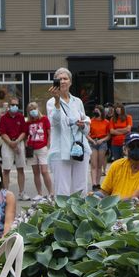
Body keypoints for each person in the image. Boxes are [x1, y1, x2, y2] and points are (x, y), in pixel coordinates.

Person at [46, 67, 89, 196]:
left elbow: (86, 127)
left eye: (65, 78)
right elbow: (56, 123)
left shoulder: (78, 101)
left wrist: (83, 125)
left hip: (80, 148)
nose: (63, 81)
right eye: (60, 79)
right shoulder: (51, 102)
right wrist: (57, 101)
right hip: (60, 150)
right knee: (62, 190)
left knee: (81, 188)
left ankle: (81, 214)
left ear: (70, 82)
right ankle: (64, 215)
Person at [99, 132, 139, 212]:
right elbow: (104, 192)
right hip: (114, 211)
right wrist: (95, 197)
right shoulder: (116, 165)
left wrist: (108, 205)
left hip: (137, 217)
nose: (136, 148)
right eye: (132, 146)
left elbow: (134, 200)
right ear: (124, 150)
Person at [0, 97, 29, 200]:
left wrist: (16, 142)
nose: (14, 107)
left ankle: (22, 192)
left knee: (20, 168)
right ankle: (5, 193)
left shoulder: (20, 117)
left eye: (16, 105)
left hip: (18, 142)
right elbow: (2, 133)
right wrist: (11, 143)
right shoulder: (3, 118)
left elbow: (24, 132)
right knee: (6, 169)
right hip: (7, 143)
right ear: (9, 106)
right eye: (12, 105)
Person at [25, 101, 53, 200]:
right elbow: (26, 135)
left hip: (42, 148)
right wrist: (26, 145)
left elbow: (49, 132)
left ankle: (51, 192)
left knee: (44, 171)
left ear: (38, 109)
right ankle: (39, 193)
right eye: (30, 110)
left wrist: (48, 144)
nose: (33, 111)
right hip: (32, 149)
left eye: (34, 109)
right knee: (35, 172)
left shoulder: (44, 119)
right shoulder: (28, 122)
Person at [88, 105, 111, 190]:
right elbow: (86, 134)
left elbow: (109, 135)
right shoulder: (91, 121)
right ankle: (94, 183)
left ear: (101, 112)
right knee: (94, 164)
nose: (96, 112)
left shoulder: (106, 122)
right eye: (95, 111)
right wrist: (92, 140)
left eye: (97, 111)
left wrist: (102, 140)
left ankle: (98, 183)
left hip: (102, 143)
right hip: (93, 142)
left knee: (99, 165)